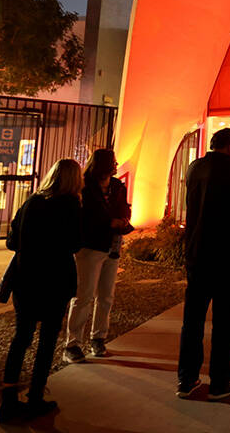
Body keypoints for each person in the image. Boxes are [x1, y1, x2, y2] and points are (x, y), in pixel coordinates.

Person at [177, 127, 230, 401]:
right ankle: (219, 382)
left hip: (197, 253)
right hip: (227, 256)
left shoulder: (194, 168)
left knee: (193, 320)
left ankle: (186, 379)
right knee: (225, 321)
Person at [0, 158, 82, 423]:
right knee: (46, 341)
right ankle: (36, 396)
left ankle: (8, 401)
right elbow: (75, 243)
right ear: (73, 180)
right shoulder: (70, 206)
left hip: (25, 277)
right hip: (55, 279)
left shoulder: (32, 201)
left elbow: (12, 241)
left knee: (21, 337)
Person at [64, 148, 132, 362]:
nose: (115, 164)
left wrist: (122, 220)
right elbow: (82, 216)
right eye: (111, 161)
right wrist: (107, 223)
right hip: (91, 246)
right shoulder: (85, 187)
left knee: (106, 295)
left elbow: (124, 208)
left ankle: (98, 338)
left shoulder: (117, 187)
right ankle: (72, 343)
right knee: (83, 295)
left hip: (112, 244)